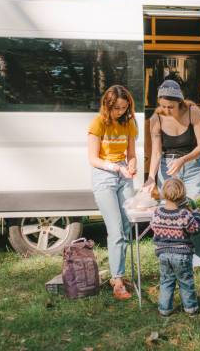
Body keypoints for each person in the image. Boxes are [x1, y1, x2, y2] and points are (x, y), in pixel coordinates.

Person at [143, 79, 200, 280]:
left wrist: (183, 159)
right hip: (167, 169)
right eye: (163, 105)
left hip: (191, 167)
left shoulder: (193, 112)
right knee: (170, 218)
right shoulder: (156, 118)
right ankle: (173, 266)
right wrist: (150, 177)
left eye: (170, 106)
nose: (166, 109)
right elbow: (156, 153)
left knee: (198, 215)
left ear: (180, 102)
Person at [87, 85, 137, 300]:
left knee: (126, 226)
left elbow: (132, 154)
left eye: (124, 108)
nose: (121, 112)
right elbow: (93, 158)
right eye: (116, 108)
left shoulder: (129, 122)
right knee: (115, 229)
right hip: (104, 176)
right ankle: (117, 281)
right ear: (107, 107)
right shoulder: (97, 123)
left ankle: (119, 274)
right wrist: (114, 167)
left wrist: (132, 166)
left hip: (124, 175)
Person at [150, 178, 200, 316]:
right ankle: (190, 308)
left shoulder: (157, 212)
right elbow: (195, 229)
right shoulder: (184, 214)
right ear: (183, 195)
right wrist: (195, 213)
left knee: (166, 281)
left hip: (163, 254)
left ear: (164, 194)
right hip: (182, 254)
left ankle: (164, 309)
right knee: (186, 281)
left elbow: (153, 227)